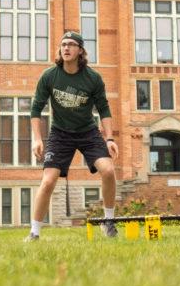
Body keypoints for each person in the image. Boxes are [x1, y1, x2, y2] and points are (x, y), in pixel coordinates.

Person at [26, 31, 118, 241]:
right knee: (48, 181)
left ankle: (109, 222)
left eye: (71, 45)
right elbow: (36, 109)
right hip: (60, 134)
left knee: (109, 170)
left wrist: (110, 138)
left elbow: (103, 109)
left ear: (80, 51)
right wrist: (38, 138)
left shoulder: (92, 78)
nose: (66, 48)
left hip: (88, 132)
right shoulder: (50, 76)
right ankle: (34, 232)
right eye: (63, 44)